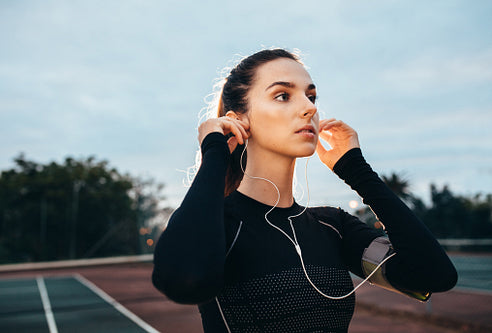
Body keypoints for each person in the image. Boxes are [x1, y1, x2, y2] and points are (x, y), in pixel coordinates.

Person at [152, 49, 458, 332]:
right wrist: (215, 151)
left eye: (312, 96)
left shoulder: (333, 228)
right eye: (283, 95)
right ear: (238, 120)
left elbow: (433, 275)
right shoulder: (219, 224)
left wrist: (357, 171)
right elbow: (185, 280)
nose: (309, 108)